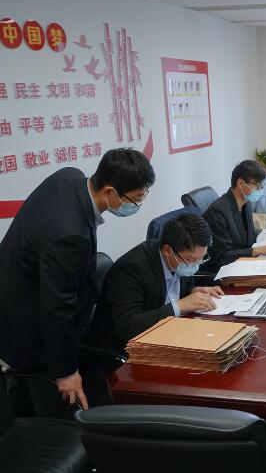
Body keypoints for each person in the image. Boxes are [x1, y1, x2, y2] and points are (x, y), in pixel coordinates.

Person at [0, 148, 155, 415]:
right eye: (137, 198)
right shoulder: (70, 236)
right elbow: (56, 310)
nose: (139, 204)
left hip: (17, 293)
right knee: (55, 413)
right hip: (28, 329)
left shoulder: (69, 176)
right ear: (109, 192)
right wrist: (66, 372)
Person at [89, 214, 222, 353]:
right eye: (191, 260)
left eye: (201, 259)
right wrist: (180, 306)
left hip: (169, 334)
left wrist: (194, 291)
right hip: (127, 350)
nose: (196, 266)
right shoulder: (131, 269)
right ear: (167, 251)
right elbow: (129, 326)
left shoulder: (179, 258)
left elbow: (182, 286)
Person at [202, 160, 266, 273]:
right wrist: (257, 251)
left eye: (262, 185)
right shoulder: (218, 212)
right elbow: (223, 257)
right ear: (241, 183)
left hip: (244, 264)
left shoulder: (245, 203)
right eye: (258, 185)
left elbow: (248, 240)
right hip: (224, 272)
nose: (261, 190)